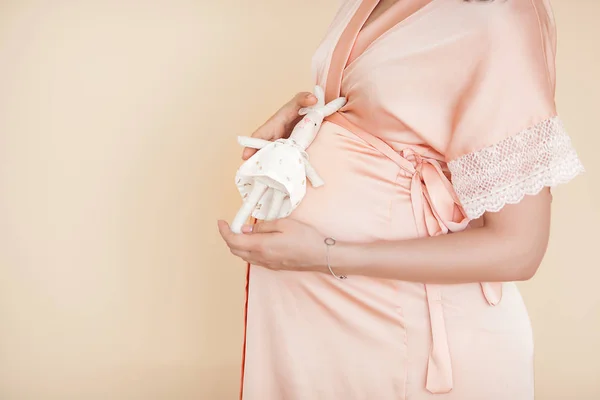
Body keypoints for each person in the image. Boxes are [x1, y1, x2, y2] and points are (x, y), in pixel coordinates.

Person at [218, 0, 585, 399]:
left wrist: (327, 255)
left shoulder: (501, 15)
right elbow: (397, 111)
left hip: (410, 340)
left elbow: (519, 249)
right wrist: (308, 120)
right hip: (326, 332)